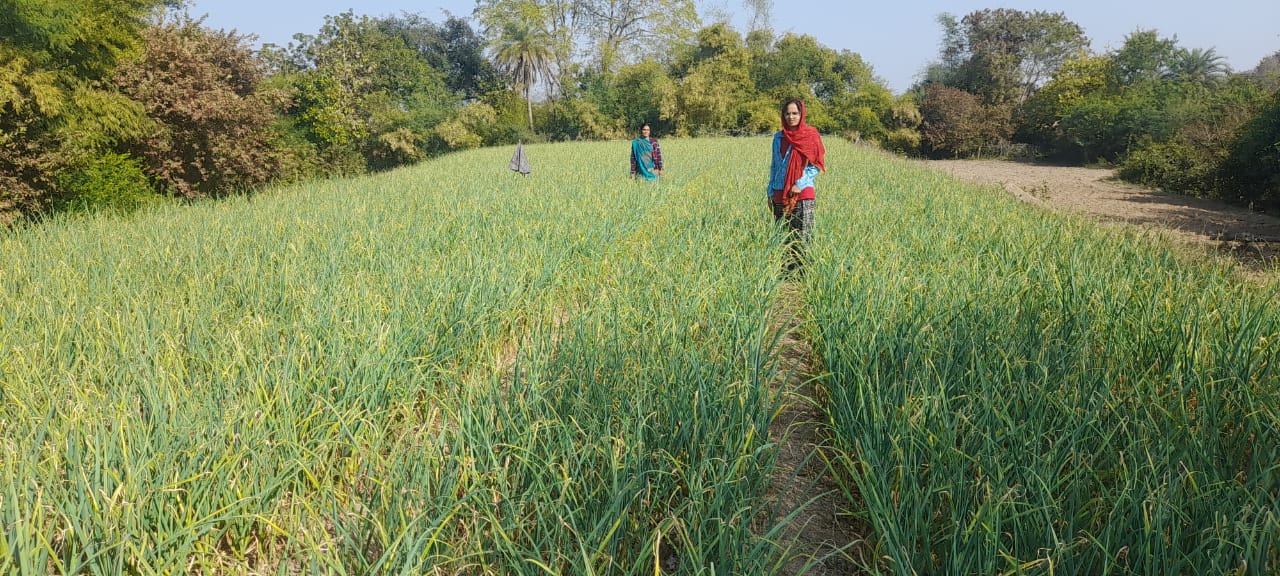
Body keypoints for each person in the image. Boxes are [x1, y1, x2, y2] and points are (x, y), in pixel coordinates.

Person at [768, 98, 826, 272]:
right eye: (787, 113)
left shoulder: (810, 135)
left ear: (801, 114)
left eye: (795, 113)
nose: (791, 117)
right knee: (783, 235)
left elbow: (816, 165)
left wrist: (799, 183)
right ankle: (786, 274)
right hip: (780, 192)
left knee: (803, 235)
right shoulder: (778, 137)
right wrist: (770, 190)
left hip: (803, 193)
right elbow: (774, 165)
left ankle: (803, 276)